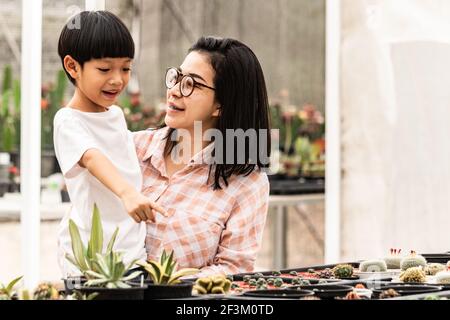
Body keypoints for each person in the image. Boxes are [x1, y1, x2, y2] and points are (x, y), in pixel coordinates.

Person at [134, 36, 271, 276]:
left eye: (192, 85)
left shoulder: (247, 183)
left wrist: (166, 288)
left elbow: (233, 269)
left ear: (222, 104)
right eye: (176, 77)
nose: (174, 91)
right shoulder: (134, 148)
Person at [53, 11, 165, 276]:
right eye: (104, 69)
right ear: (72, 66)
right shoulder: (68, 120)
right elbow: (92, 158)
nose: (118, 79)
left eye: (125, 68)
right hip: (92, 259)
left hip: (131, 253)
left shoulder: (115, 114)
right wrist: (128, 193)